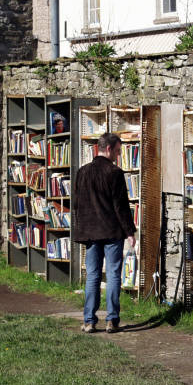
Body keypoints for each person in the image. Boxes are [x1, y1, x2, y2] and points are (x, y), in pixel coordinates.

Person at [73, 133, 136, 334]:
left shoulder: (82, 172)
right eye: (117, 151)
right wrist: (129, 231)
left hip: (90, 232)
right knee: (113, 275)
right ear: (108, 149)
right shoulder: (114, 173)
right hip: (111, 231)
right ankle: (112, 320)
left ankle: (89, 320)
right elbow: (121, 207)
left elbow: (77, 204)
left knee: (92, 276)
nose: (118, 155)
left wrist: (80, 228)